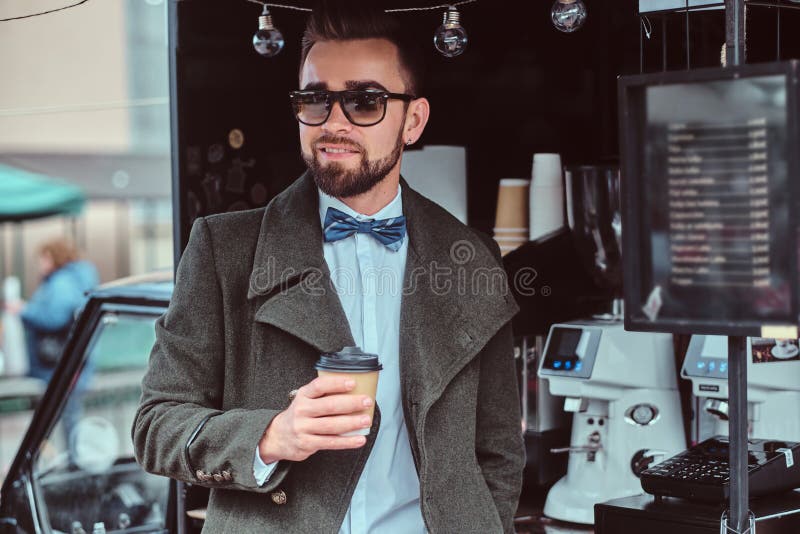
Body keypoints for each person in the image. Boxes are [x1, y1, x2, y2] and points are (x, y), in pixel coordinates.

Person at [133, 2, 524, 532]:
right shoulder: (223, 250)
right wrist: (269, 436)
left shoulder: (472, 256)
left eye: (365, 101)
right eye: (316, 99)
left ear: (413, 120)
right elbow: (156, 427)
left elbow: (498, 451)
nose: (334, 122)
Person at [20, 238, 98, 381]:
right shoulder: (73, 279)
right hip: (70, 360)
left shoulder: (61, 282)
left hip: (54, 363)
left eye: (43, 258)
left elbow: (55, 318)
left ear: (54, 258)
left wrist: (24, 310)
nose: (40, 263)